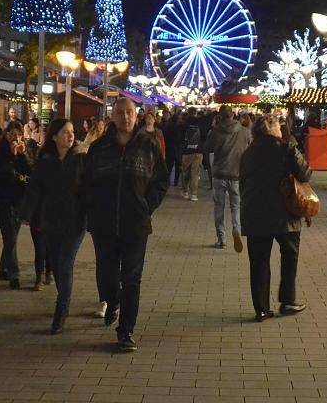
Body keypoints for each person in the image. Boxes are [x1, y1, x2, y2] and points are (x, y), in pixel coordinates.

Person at [85, 98, 168, 352]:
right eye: (120, 113)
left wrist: (146, 205)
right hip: (104, 224)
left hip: (136, 223)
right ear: (112, 116)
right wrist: (92, 210)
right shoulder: (99, 148)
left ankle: (126, 330)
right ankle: (112, 300)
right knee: (108, 274)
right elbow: (87, 183)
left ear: (137, 115)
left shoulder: (148, 145)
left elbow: (161, 181)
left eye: (129, 112)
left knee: (132, 278)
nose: (125, 117)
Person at [239, 115, 309, 323]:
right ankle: (287, 300)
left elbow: (242, 180)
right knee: (290, 255)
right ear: (274, 129)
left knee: (259, 261)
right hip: (285, 212)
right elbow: (305, 173)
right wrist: (292, 146)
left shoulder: (248, 152)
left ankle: (261, 308)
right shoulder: (286, 148)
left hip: (255, 213)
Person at [21, 118, 86, 334]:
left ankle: (61, 311)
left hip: (74, 221)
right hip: (50, 220)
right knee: (57, 266)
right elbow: (35, 188)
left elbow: (90, 189)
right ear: (55, 136)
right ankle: (63, 297)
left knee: (65, 264)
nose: (70, 135)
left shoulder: (80, 160)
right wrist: (26, 212)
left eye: (72, 131)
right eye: (66, 132)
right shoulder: (45, 160)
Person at [203, 106, 252, 251]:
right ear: (233, 115)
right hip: (237, 174)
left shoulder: (215, 132)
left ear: (220, 117)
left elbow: (206, 148)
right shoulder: (245, 132)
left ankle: (221, 239)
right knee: (236, 206)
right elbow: (251, 148)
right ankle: (236, 229)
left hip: (219, 174)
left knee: (219, 207)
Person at [0, 122, 31, 289]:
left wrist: (22, 156)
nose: (16, 138)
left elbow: (29, 172)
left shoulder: (23, 150)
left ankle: (3, 267)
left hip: (18, 199)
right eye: (12, 134)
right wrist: (11, 156)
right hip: (4, 199)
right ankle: (14, 274)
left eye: (19, 134)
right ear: (6, 134)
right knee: (10, 236)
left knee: (12, 236)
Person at [180, 108, 203, 201]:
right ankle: (194, 194)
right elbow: (204, 136)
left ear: (188, 113)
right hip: (198, 151)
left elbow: (180, 138)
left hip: (186, 151)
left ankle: (185, 191)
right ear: (196, 113)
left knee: (185, 171)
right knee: (195, 172)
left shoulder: (183, 124)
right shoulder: (200, 124)